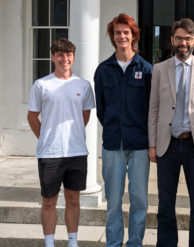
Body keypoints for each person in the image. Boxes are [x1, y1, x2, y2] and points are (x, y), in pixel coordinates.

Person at [148, 18, 194, 247]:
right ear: (171, 40)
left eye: (187, 38)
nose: (183, 42)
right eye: (178, 38)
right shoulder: (159, 69)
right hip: (167, 144)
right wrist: (152, 144)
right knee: (165, 206)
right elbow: (154, 108)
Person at [27, 38, 95, 247]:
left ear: (73, 57)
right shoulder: (41, 85)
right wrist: (48, 136)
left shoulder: (83, 85)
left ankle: (72, 242)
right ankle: (49, 243)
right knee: (49, 200)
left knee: (73, 199)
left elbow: (84, 116)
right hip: (50, 153)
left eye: (68, 55)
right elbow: (32, 117)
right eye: (60, 55)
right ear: (52, 57)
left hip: (76, 151)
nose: (64, 59)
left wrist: (70, 134)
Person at [94, 13, 152, 247]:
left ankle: (135, 243)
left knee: (139, 201)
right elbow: (101, 109)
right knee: (114, 201)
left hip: (139, 145)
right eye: (118, 33)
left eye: (126, 32)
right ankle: (114, 243)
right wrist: (113, 128)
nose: (122, 37)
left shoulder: (146, 69)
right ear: (112, 36)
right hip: (113, 144)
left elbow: (151, 108)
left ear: (133, 36)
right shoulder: (103, 70)